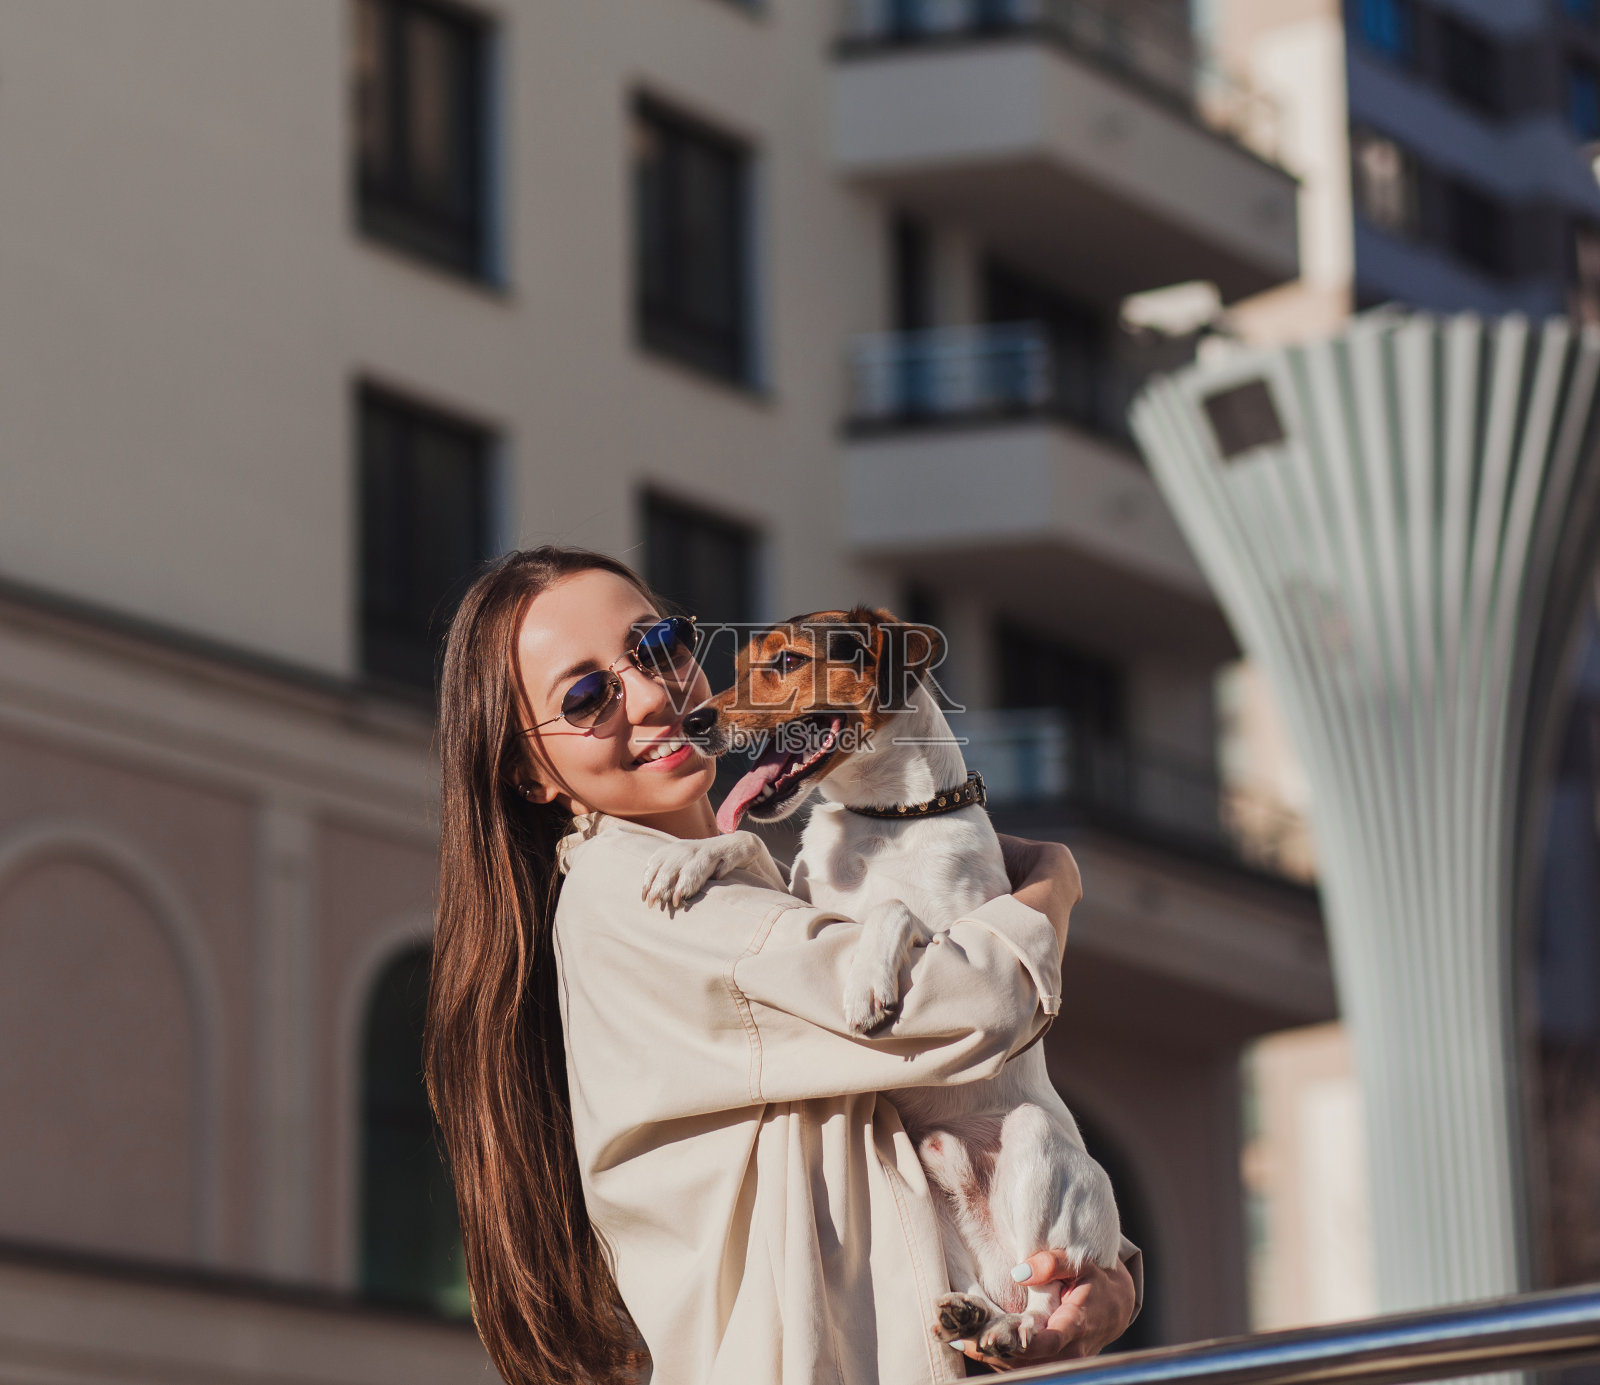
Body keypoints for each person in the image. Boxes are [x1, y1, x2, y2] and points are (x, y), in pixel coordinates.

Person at [424, 546, 1141, 1385]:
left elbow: (942, 1140)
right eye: (587, 697)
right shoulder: (636, 899)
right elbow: (975, 1005)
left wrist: (1106, 1277)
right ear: (526, 773)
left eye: (658, 646)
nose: (658, 695)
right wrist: (1052, 882)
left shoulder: (764, 885)